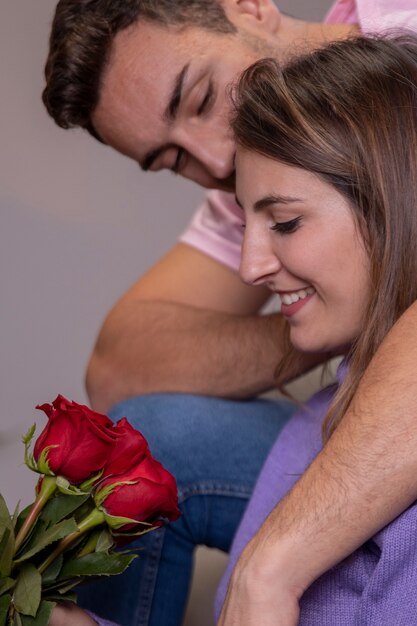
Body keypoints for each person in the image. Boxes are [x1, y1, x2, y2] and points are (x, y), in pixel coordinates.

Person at [42, 1, 417, 625]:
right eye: (171, 161)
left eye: (200, 97)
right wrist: (344, 310)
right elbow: (117, 364)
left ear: (249, 7)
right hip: (333, 409)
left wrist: (275, 563)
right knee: (143, 440)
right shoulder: (248, 169)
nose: (214, 161)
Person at [216, 33, 417, 625]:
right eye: (245, 224)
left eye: (284, 221)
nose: (251, 266)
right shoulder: (312, 428)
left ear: (391, 204)